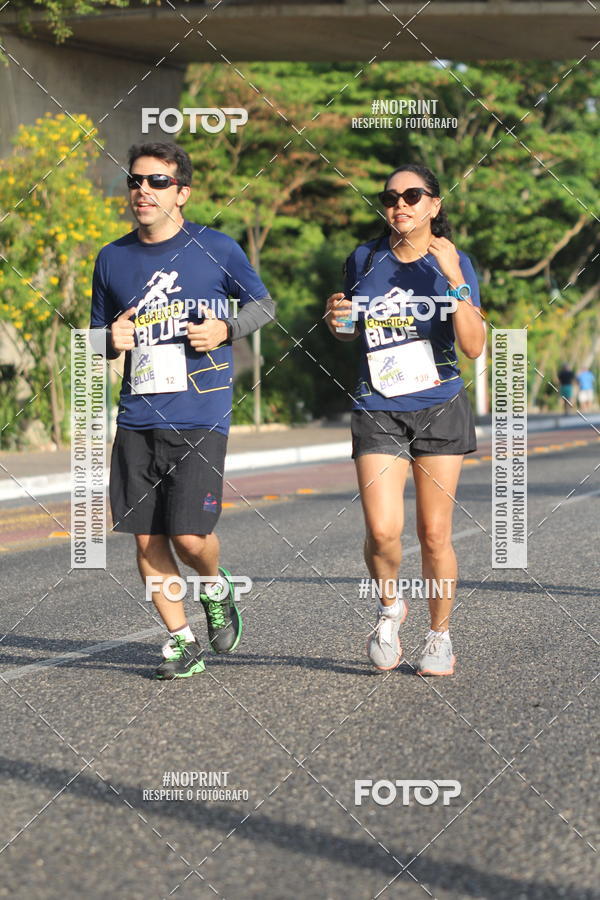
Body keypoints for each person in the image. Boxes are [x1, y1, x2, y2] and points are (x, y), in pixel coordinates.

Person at [90, 141, 274, 679]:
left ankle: (215, 588)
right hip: (137, 417)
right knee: (147, 538)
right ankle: (181, 640)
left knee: (191, 538)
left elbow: (263, 303)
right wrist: (108, 338)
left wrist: (226, 328)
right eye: (135, 181)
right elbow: (97, 337)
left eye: (157, 182)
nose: (142, 190)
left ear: (183, 193)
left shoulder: (216, 248)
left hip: (200, 413)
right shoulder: (112, 257)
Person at [325, 163, 485, 676]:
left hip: (439, 404)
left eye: (413, 195)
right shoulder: (364, 258)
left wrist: (456, 279)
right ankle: (390, 608)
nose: (400, 205)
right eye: (391, 197)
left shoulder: (454, 261)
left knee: (434, 534)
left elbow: (474, 346)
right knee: (382, 529)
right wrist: (338, 322)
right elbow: (351, 331)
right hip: (378, 404)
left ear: (434, 205)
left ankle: (439, 636)